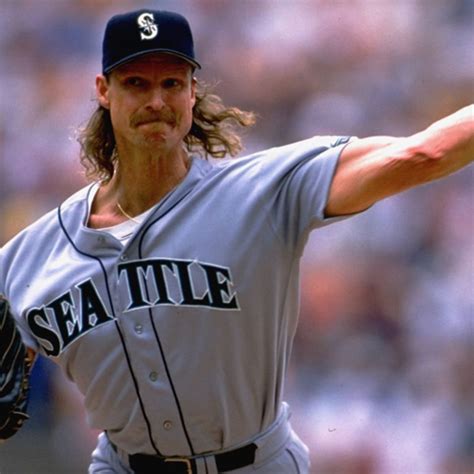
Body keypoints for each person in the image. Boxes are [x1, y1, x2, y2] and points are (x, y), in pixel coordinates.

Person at [0, 8, 472, 474]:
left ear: (193, 91)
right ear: (104, 90)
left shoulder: (263, 193)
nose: (156, 101)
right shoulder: (27, 261)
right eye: (137, 83)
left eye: (172, 83)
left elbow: (423, 153)